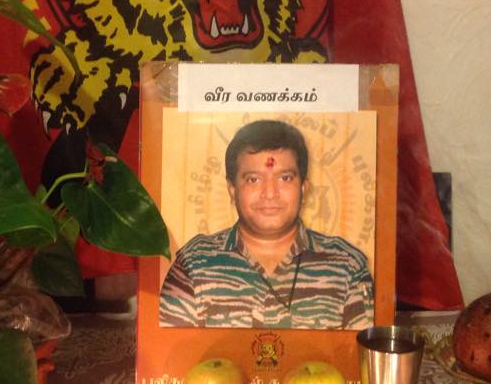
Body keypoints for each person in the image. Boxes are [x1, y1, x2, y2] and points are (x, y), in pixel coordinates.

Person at [159, 119, 374, 329]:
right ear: (232, 190)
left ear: (303, 188)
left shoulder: (347, 267)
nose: (270, 193)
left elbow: (365, 351)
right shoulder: (194, 265)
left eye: (285, 178)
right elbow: (170, 350)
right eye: (253, 179)